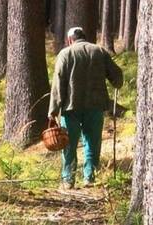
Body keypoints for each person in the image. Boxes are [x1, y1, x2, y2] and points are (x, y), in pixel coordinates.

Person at [48, 27, 123, 189]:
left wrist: (53, 110)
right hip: (95, 106)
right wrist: (118, 82)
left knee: (69, 143)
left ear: (70, 40)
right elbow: (117, 75)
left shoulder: (65, 54)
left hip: (70, 108)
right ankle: (89, 177)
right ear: (84, 37)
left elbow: (58, 83)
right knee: (92, 142)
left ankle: (68, 179)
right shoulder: (99, 51)